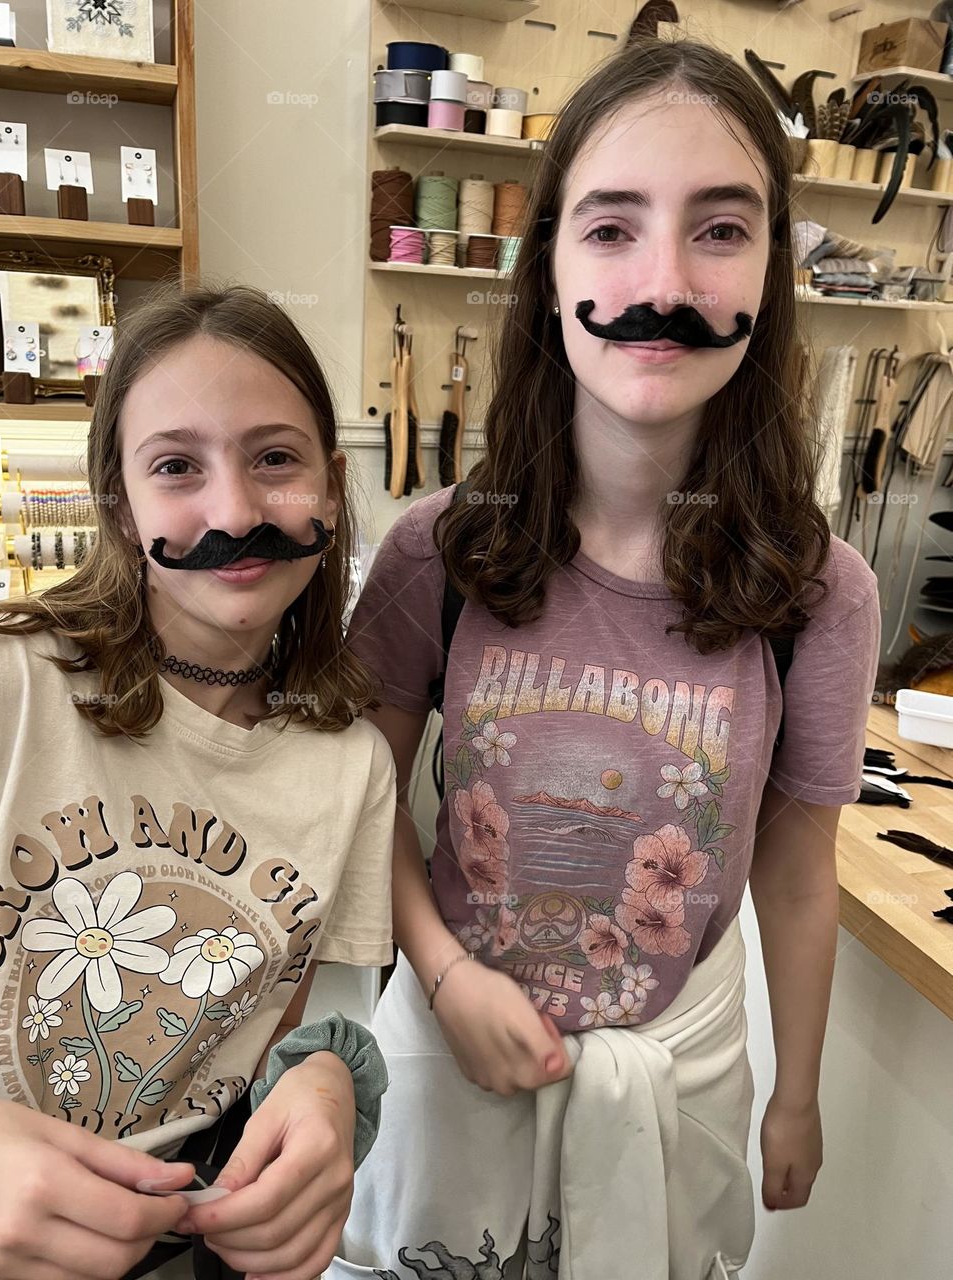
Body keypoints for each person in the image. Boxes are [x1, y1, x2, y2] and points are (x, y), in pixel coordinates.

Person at [330, 35, 881, 1280]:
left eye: (723, 229)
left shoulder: (817, 593)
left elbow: (799, 875)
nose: (665, 279)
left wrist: (797, 1092)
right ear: (550, 267)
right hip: (447, 1066)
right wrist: (447, 965)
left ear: (773, 273)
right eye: (613, 226)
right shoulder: (438, 553)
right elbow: (360, 802)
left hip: (675, 1089)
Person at [0, 284, 396, 1280]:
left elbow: (302, 1020)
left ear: (332, 487)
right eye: (178, 466)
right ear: (121, 507)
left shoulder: (353, 769)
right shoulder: (12, 686)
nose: (236, 511)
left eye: (275, 459)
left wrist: (326, 1080)